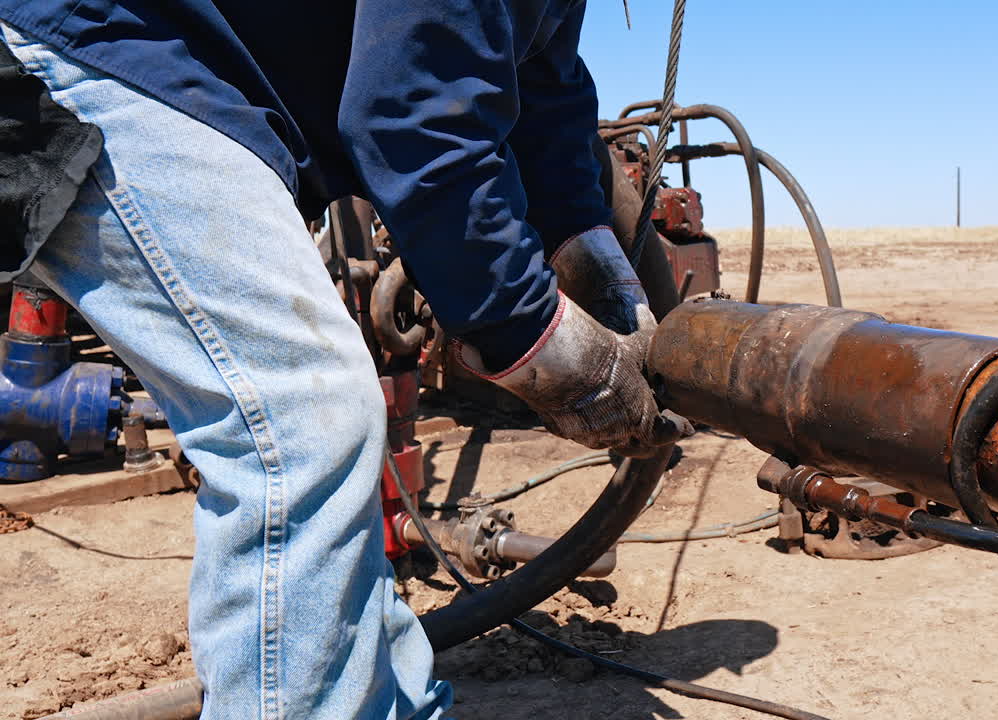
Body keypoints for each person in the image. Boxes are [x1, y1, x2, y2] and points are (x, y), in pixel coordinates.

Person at [0, 1, 683, 717]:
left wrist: (603, 273)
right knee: (301, 412)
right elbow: (416, 120)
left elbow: (545, 95)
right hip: (94, 45)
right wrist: (539, 343)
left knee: (327, 441)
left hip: (188, 77)